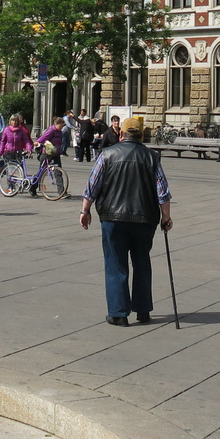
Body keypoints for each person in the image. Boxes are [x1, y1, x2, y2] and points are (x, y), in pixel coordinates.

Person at [79, 116, 172, 327]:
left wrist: (85, 210)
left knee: (115, 264)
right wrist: (166, 217)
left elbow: (92, 185)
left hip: (113, 219)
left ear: (121, 134)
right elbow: (162, 192)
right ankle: (143, 309)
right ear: (141, 135)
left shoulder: (107, 154)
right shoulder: (152, 157)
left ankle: (119, 313)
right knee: (142, 263)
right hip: (145, 219)